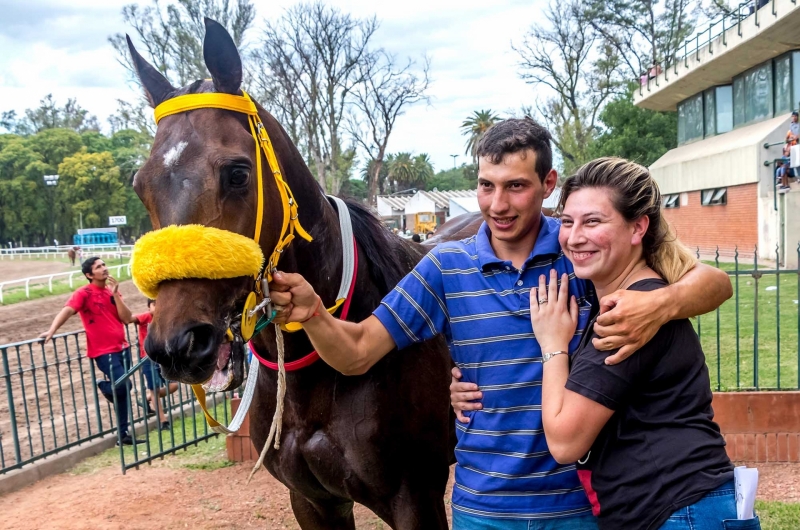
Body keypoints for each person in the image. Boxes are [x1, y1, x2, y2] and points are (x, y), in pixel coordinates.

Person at [268, 119, 732, 528]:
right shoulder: (446, 267)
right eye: (486, 185)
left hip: (578, 507)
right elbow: (357, 351)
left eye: (515, 186)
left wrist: (663, 304)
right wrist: (314, 314)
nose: (497, 204)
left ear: (548, 182)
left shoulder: (583, 252)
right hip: (482, 507)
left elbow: (714, 282)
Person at [526, 157, 757, 530]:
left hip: (676, 511)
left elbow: (565, 442)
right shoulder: (647, 297)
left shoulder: (629, 315)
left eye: (594, 221)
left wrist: (553, 345)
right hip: (691, 506)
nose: (574, 236)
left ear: (638, 228)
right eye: (568, 222)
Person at [39, 257, 143, 446]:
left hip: (123, 347)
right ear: (89, 274)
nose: (104, 268)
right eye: (98, 267)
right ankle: (103, 385)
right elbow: (67, 311)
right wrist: (52, 330)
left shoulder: (112, 292)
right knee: (123, 386)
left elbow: (127, 318)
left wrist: (115, 294)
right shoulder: (83, 293)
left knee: (122, 392)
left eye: (104, 265)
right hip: (103, 351)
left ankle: (123, 434)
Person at [133, 298, 179, 430]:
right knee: (155, 388)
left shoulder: (166, 318)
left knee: (173, 385)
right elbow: (130, 318)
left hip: (164, 356)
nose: (158, 307)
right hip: (147, 358)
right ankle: (163, 421)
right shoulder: (145, 317)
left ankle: (148, 398)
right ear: (149, 307)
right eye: (154, 304)